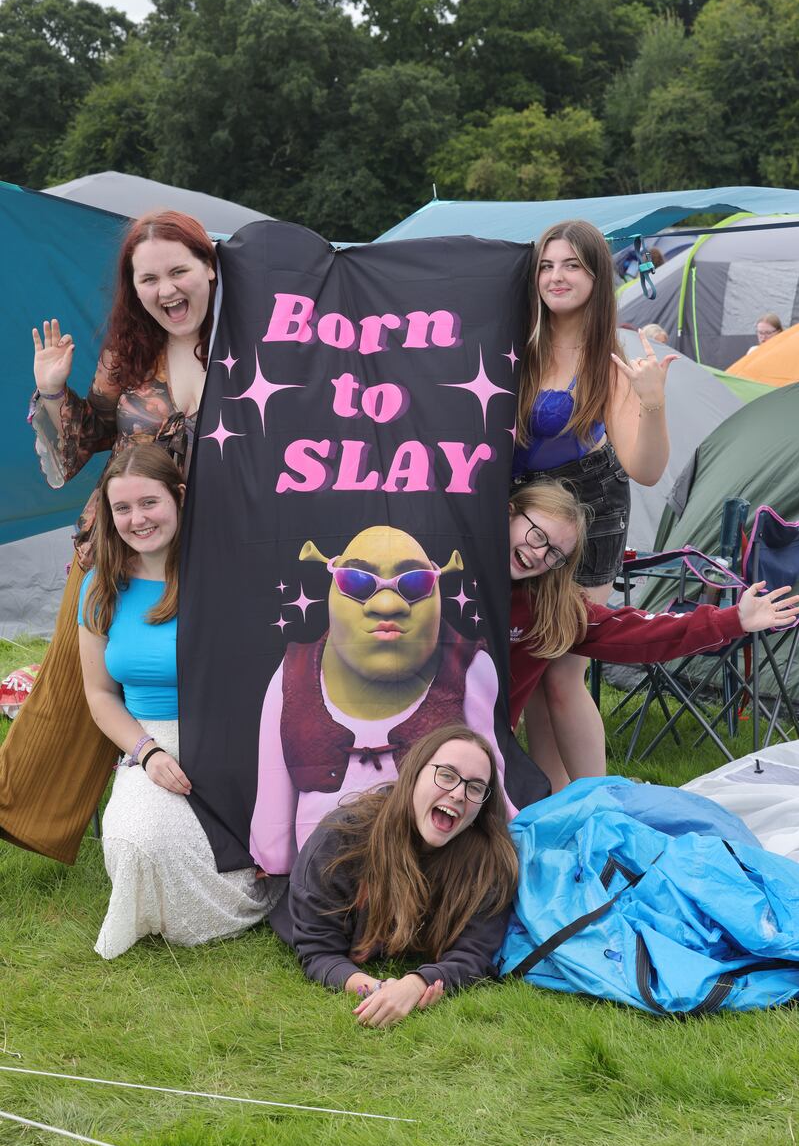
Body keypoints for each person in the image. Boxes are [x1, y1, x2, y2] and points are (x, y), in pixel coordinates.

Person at [0, 210, 217, 864]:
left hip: (209, 560)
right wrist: (50, 390)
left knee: (195, 693)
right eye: (148, 277)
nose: (167, 288)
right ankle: (20, 817)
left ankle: (197, 826)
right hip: (113, 549)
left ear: (210, 267)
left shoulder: (250, 354)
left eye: (179, 269)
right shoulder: (129, 355)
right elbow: (75, 451)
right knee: (69, 695)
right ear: (135, 287)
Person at [79, 444, 278, 959]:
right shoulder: (100, 589)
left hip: (233, 741)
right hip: (149, 741)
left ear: (179, 497)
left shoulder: (227, 575)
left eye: (149, 503)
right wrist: (147, 751)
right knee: (137, 844)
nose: (137, 519)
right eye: (122, 508)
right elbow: (100, 696)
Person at [512, 219, 678, 790]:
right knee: (533, 667)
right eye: (546, 265)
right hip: (523, 514)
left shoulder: (613, 360)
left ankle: (597, 804)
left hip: (588, 512)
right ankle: (551, 805)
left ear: (597, 275)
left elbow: (646, 468)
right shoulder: (518, 343)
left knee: (563, 667)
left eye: (572, 265)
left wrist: (652, 404)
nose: (556, 277)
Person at [249, 525, 511, 876]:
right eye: (357, 582)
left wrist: (509, 844)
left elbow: (489, 779)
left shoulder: (467, 668)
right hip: (325, 877)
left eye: (414, 584)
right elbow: (272, 801)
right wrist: (274, 861)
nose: (387, 605)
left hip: (429, 871)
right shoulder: (292, 674)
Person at [507, 479, 799, 779]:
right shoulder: (459, 572)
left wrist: (733, 619)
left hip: (483, 748)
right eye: (537, 535)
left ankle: (588, 802)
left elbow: (638, 633)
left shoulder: (547, 609)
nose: (539, 553)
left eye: (554, 553)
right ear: (509, 514)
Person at [269, 723, 518, 1027]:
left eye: (475, 787)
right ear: (414, 774)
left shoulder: (488, 860)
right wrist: (376, 990)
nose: (458, 794)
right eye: (447, 775)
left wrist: (416, 983)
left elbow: (475, 955)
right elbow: (319, 951)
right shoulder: (342, 839)